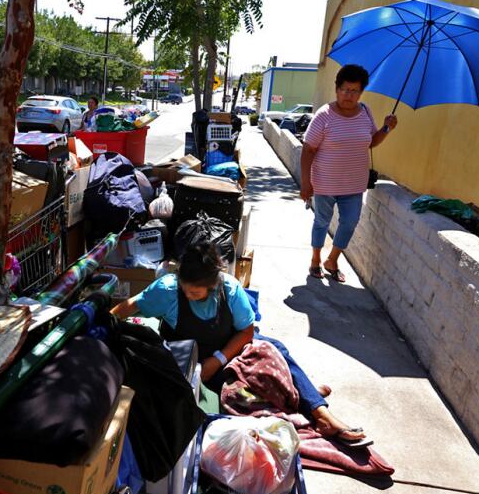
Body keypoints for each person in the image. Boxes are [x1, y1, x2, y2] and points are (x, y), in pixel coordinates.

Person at [111, 242, 368, 445]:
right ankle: (297, 394)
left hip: (229, 350)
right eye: (185, 290)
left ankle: (321, 414)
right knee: (240, 398)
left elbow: (246, 330)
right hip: (192, 363)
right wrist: (103, 318)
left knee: (277, 350)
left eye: (196, 293)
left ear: (213, 285)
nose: (189, 296)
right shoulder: (167, 290)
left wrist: (218, 359)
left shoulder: (230, 289)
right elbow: (131, 305)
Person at [300, 64, 398, 282]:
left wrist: (386, 128)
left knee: (350, 222)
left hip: (354, 183)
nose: (349, 95)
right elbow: (308, 149)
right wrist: (306, 182)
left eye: (354, 91)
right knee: (322, 221)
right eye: (345, 90)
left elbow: (371, 142)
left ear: (361, 92)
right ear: (337, 89)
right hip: (325, 182)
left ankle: (332, 259)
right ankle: (315, 259)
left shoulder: (365, 112)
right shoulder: (324, 116)